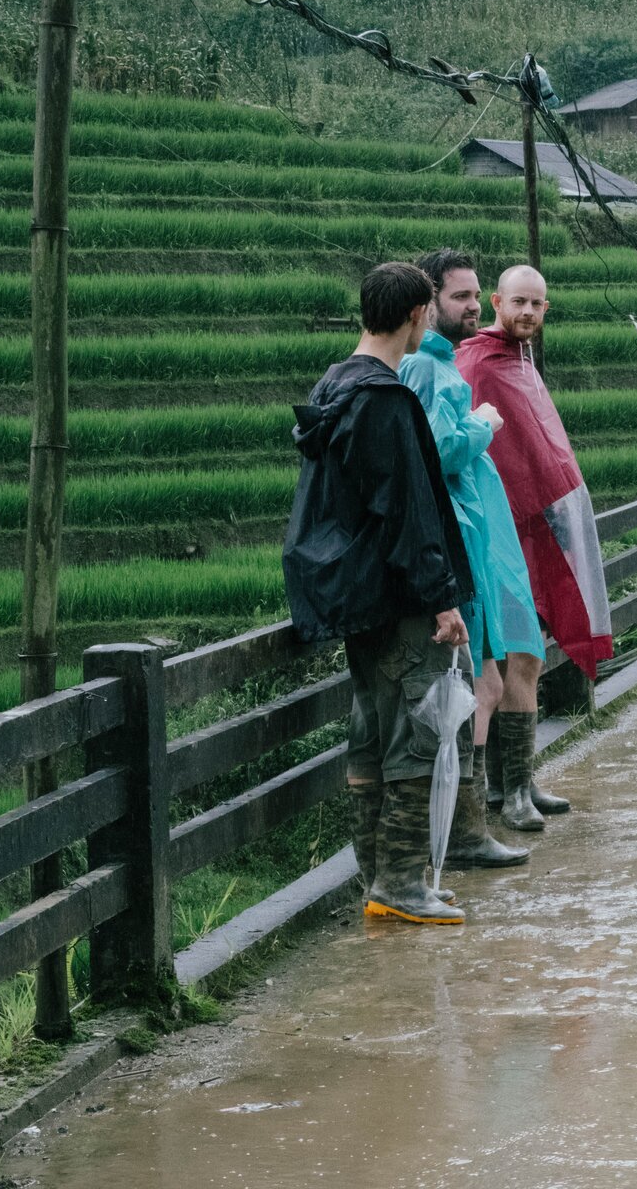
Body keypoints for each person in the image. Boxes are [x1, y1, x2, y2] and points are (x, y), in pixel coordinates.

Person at [283, 261, 474, 926]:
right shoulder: (386, 400)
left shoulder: (335, 385)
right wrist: (443, 599)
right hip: (397, 598)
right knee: (415, 735)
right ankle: (400, 880)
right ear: (419, 313)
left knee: (370, 733)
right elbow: (409, 512)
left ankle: (379, 878)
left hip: (352, 593)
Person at [399, 247, 548, 871]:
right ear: (426, 303)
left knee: (489, 675)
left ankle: (486, 811)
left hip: (476, 533)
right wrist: (484, 425)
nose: (468, 306)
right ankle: (467, 828)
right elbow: (439, 453)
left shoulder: (438, 365)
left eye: (471, 295)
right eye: (460, 296)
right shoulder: (435, 371)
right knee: (480, 682)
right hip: (462, 536)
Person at [456, 265, 612, 833]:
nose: (527, 313)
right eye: (517, 302)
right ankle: (512, 792)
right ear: (498, 302)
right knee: (519, 657)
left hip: (529, 531)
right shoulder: (477, 362)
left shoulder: (520, 362)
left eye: (537, 305)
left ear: (547, 309)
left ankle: (513, 784)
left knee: (523, 658)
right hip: (498, 535)